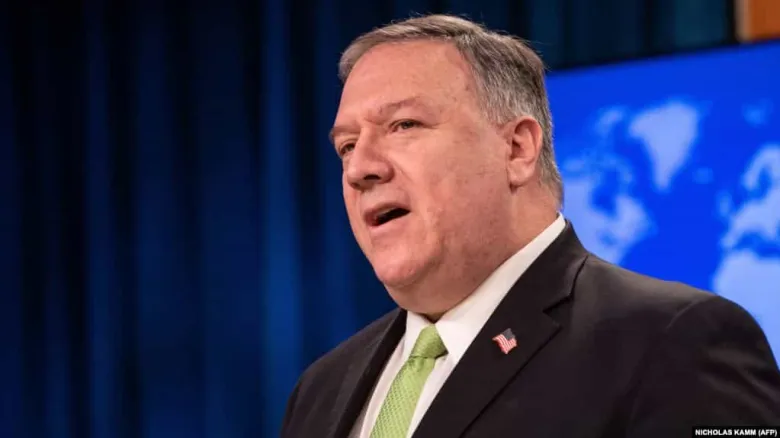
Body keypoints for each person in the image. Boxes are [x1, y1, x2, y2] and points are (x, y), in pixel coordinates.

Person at [280, 14, 780, 438]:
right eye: (346, 146)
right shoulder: (323, 388)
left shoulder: (674, 342)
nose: (359, 168)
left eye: (403, 125)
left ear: (517, 149)